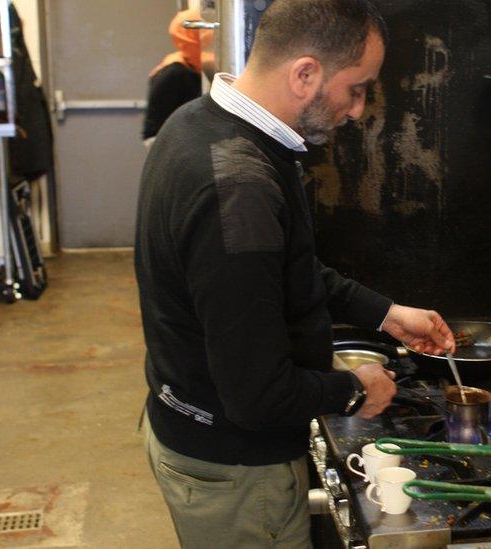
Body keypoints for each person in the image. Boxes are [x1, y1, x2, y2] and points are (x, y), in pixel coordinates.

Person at [134, 0, 454, 547]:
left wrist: (384, 312)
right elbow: (257, 397)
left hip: (188, 424)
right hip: (234, 471)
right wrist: (354, 390)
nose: (358, 110)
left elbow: (279, 269)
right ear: (305, 73)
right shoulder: (239, 186)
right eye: (356, 88)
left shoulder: (197, 122)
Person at [142, 8, 205, 148]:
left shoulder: (199, 68)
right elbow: (152, 135)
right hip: (180, 155)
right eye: (203, 31)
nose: (209, 36)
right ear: (191, 36)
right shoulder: (174, 73)